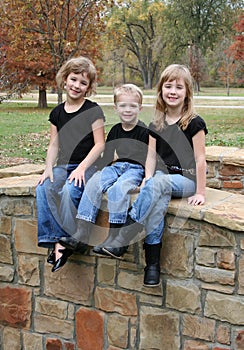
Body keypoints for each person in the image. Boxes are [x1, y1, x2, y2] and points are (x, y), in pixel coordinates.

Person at [101, 64, 208, 287]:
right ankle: (152, 265)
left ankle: (126, 232)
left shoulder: (194, 122)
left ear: (187, 91)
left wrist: (200, 191)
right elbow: (150, 156)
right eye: (168, 86)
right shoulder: (156, 124)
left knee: (158, 183)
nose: (173, 91)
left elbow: (200, 159)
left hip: (186, 180)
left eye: (179, 87)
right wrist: (147, 177)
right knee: (157, 204)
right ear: (160, 91)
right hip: (161, 180)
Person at [59, 84, 149, 255]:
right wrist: (100, 171)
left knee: (119, 188)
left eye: (132, 106)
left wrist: (145, 179)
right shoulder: (115, 130)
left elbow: (150, 157)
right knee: (94, 182)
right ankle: (82, 232)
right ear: (116, 108)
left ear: (140, 108)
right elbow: (107, 155)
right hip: (116, 166)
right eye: (123, 105)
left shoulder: (144, 131)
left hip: (136, 169)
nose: (127, 110)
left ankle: (114, 238)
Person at [36, 56, 105, 272]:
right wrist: (48, 168)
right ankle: (56, 240)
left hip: (88, 166)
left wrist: (82, 168)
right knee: (43, 188)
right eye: (73, 79)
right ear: (65, 79)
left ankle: (66, 239)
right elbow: (54, 145)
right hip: (64, 166)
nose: (77, 86)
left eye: (83, 83)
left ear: (89, 87)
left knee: (69, 190)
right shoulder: (56, 113)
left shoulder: (92, 110)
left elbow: (100, 145)